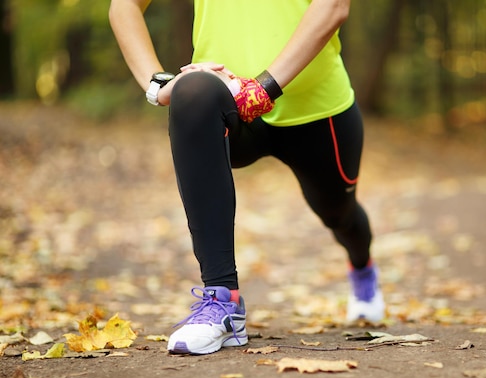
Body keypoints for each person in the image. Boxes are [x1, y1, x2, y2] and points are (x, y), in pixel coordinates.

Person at [108, 0, 385, 355]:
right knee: (192, 91)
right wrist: (156, 83)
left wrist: (263, 87)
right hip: (228, 99)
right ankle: (223, 300)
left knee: (338, 213)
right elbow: (124, 6)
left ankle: (362, 269)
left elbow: (333, 6)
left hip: (316, 111)